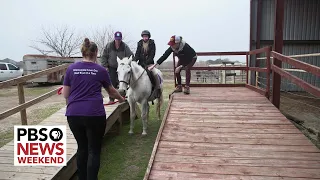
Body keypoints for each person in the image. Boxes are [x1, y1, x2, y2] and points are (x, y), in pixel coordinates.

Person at [62, 38, 125, 180]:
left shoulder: (71, 69)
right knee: (94, 150)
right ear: (96, 52)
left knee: (82, 148)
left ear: (83, 52)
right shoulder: (101, 70)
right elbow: (111, 91)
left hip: (74, 115)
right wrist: (121, 99)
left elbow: (65, 94)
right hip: (94, 115)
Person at [101, 31, 134, 103]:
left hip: (121, 68)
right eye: (117, 39)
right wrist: (105, 66)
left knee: (122, 83)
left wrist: (127, 63)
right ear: (114, 39)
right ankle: (111, 99)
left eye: (119, 39)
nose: (118, 41)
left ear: (121, 39)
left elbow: (131, 55)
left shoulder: (125, 46)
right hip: (111, 67)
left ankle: (122, 97)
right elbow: (104, 56)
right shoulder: (109, 46)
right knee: (112, 83)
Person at [133, 30, 160, 97]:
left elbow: (152, 54)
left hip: (149, 63)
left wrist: (147, 62)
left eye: (146, 36)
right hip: (141, 63)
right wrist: (134, 61)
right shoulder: (139, 43)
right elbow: (137, 53)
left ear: (148, 37)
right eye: (144, 36)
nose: (145, 38)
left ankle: (157, 88)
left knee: (154, 73)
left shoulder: (152, 43)